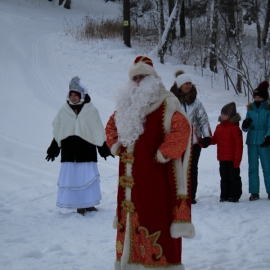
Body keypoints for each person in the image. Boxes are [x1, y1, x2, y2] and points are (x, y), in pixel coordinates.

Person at [105, 56, 195, 270]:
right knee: (130, 220)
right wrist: (116, 145)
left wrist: (162, 154)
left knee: (155, 220)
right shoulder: (125, 106)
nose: (137, 81)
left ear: (153, 78)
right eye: (134, 77)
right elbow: (110, 127)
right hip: (128, 184)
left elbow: (182, 129)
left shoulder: (166, 103)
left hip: (156, 180)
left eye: (142, 76)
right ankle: (130, 262)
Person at [46, 76, 113, 215]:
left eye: (76, 95)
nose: (74, 98)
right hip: (70, 153)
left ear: (82, 95)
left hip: (86, 152)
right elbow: (58, 132)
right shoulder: (64, 110)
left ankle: (90, 204)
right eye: (71, 95)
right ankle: (79, 205)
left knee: (87, 178)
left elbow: (97, 131)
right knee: (74, 179)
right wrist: (53, 150)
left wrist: (104, 150)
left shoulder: (90, 110)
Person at [170, 70, 212, 204]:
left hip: (193, 142)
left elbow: (203, 120)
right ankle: (176, 194)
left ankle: (191, 195)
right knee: (176, 168)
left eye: (189, 83)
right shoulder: (171, 101)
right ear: (179, 85)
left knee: (192, 168)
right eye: (185, 84)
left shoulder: (196, 102)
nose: (188, 86)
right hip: (176, 141)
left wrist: (207, 136)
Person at [242, 80, 270, 201]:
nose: (257, 99)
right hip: (252, 140)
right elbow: (245, 128)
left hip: (264, 141)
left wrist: (268, 136)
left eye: (259, 97)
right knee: (252, 167)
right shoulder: (250, 109)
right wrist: (245, 124)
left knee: (267, 167)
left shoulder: (268, 110)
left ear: (264, 98)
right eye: (256, 97)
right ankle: (254, 192)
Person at [210, 102, 243, 202]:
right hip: (222, 158)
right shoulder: (219, 127)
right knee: (224, 177)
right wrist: (204, 141)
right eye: (222, 114)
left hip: (232, 159)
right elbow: (215, 139)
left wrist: (237, 160)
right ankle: (224, 195)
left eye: (225, 114)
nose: (222, 116)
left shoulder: (235, 128)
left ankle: (234, 195)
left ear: (231, 115)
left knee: (234, 177)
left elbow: (239, 146)